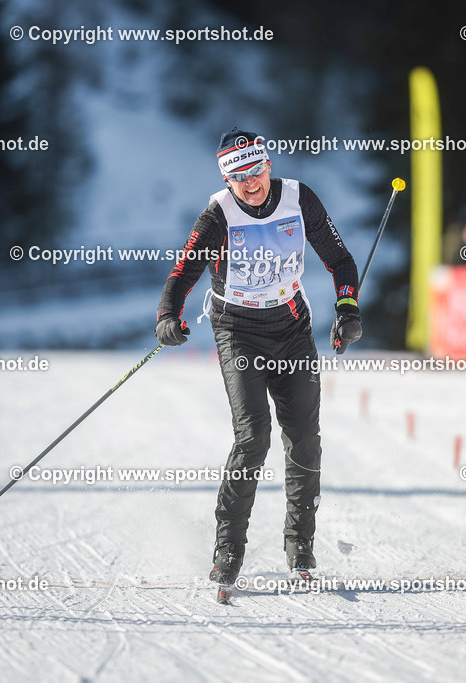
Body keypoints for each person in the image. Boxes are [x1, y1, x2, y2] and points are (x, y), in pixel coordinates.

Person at [155, 128, 361, 584]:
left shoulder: (299, 199)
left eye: (256, 169)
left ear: (268, 164)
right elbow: (183, 272)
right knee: (254, 438)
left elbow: (340, 260)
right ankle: (228, 550)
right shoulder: (218, 215)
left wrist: (346, 307)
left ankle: (300, 545)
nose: (250, 183)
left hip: (292, 330)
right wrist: (168, 314)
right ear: (227, 181)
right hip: (238, 332)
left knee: (304, 437)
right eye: (238, 176)